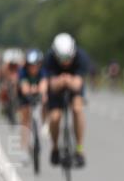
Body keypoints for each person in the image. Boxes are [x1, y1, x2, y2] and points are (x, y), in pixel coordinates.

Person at [44, 33, 90, 167]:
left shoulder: (81, 57)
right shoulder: (49, 58)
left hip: (73, 86)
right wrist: (63, 81)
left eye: (68, 58)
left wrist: (65, 80)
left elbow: (77, 84)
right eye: (62, 58)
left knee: (77, 108)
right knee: (55, 117)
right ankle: (55, 148)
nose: (65, 62)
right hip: (56, 89)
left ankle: (79, 149)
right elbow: (52, 85)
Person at [18, 49, 47, 159]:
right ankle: (24, 148)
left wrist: (41, 92)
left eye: (36, 65)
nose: (33, 68)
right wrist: (30, 90)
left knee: (45, 100)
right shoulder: (23, 71)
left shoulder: (43, 71)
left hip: (38, 92)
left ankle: (44, 124)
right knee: (25, 118)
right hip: (25, 95)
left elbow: (44, 84)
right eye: (31, 65)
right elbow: (24, 88)